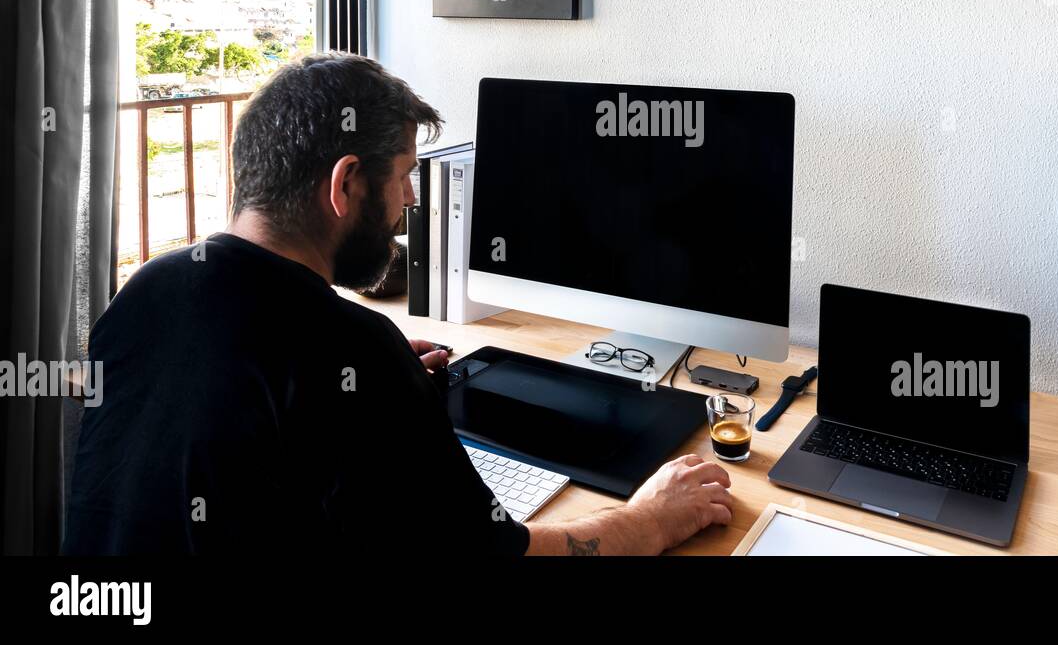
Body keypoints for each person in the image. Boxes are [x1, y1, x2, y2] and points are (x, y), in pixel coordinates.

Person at [64, 53, 734, 555]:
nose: (412, 201)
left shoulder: (145, 290)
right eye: (407, 174)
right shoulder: (353, 348)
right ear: (347, 182)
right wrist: (647, 522)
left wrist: (373, 381)